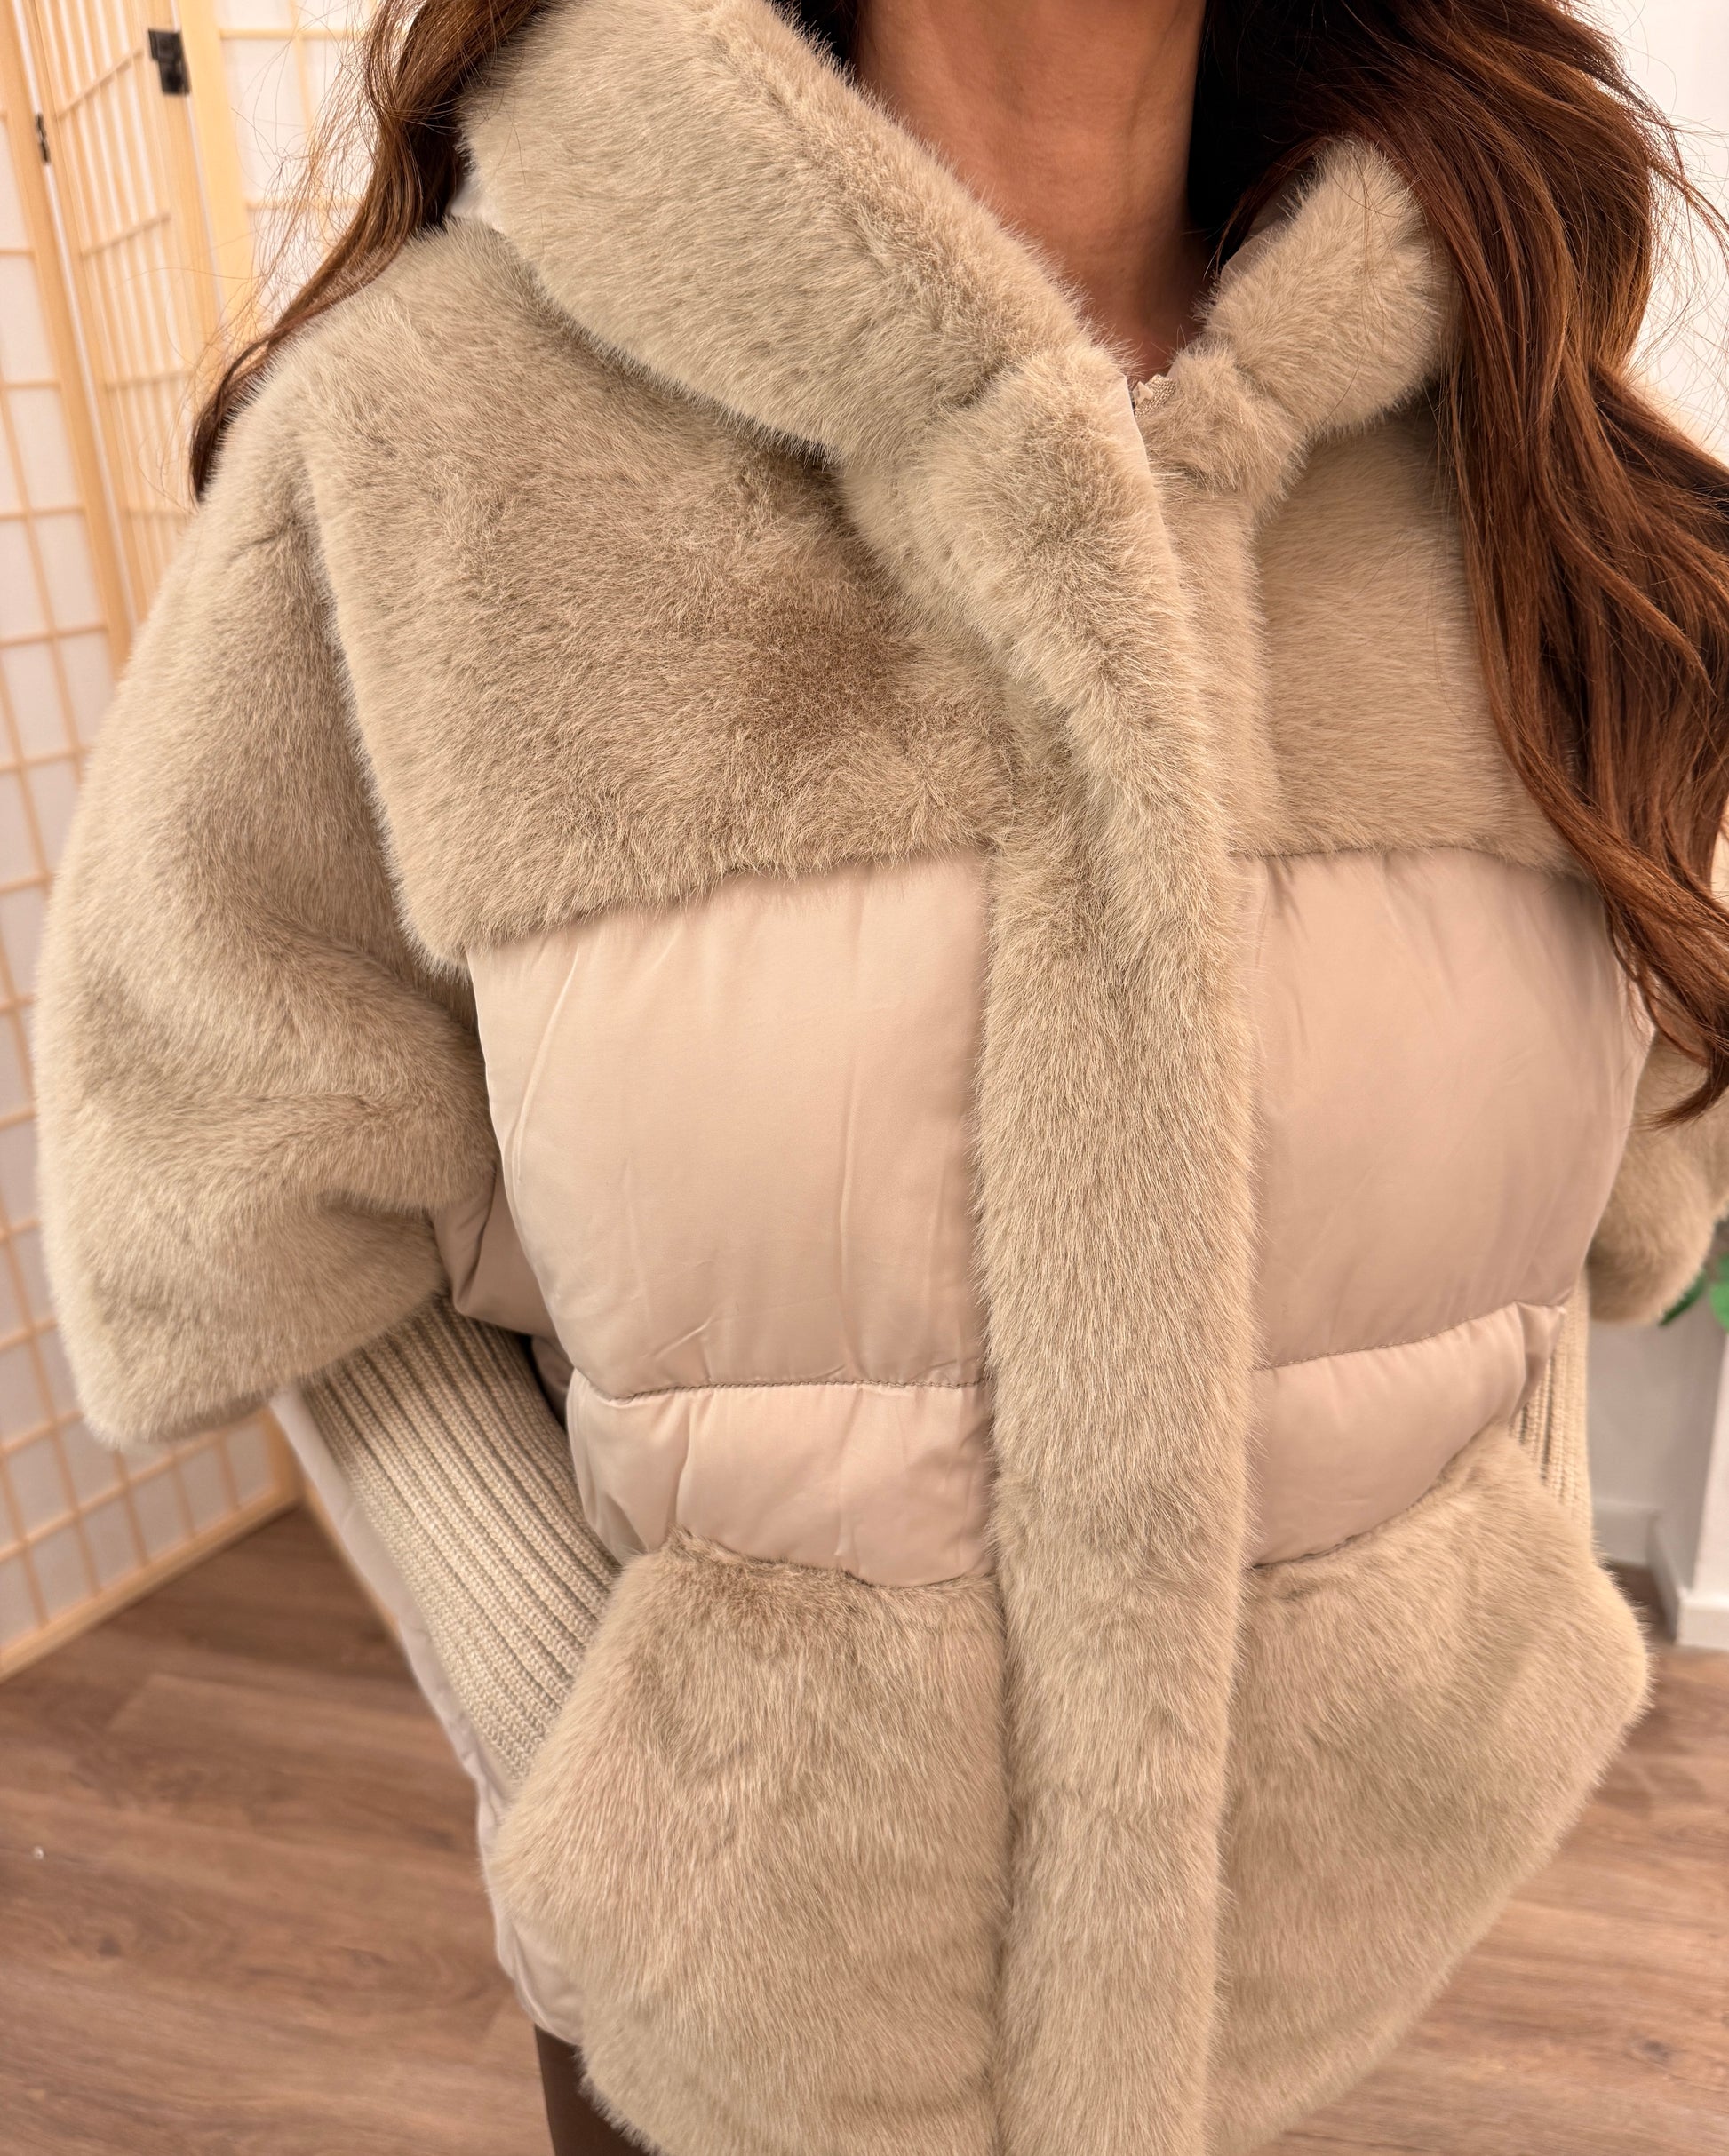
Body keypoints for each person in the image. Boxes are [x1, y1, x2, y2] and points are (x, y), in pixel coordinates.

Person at [35, 2, 1729, 2151]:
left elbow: (1595, 1188)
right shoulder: (426, 444)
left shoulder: (1519, 457)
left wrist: (1478, 1615)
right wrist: (607, 1771)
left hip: (1321, 1947)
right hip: (731, 2028)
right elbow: (238, 1166)